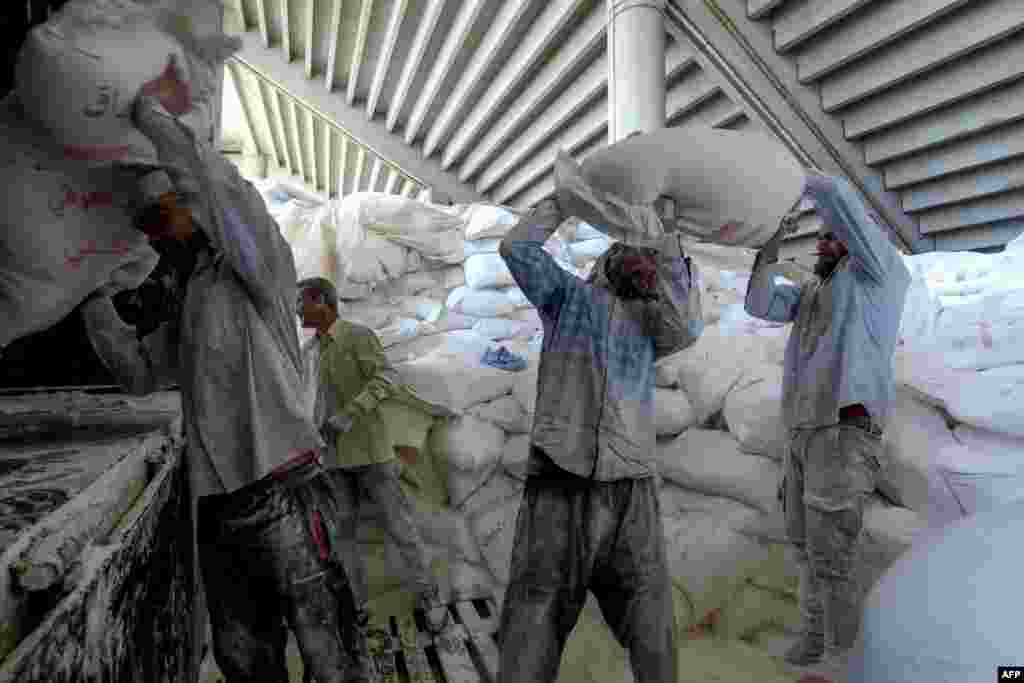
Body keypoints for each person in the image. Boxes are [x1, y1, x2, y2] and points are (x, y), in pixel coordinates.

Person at [79, 95, 368, 683]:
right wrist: (90, 300)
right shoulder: (189, 302)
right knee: (243, 656)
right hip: (217, 508)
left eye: (162, 216)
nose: (155, 236)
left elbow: (223, 191)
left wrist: (152, 118)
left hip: (285, 487)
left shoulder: (257, 268)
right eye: (147, 226)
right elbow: (137, 375)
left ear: (191, 205)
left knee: (327, 648)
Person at [495, 197, 703, 683]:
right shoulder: (567, 298)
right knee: (536, 606)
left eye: (649, 259)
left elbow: (689, 325)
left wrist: (667, 245)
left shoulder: (652, 325)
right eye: (632, 253)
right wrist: (562, 201)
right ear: (607, 262)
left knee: (650, 608)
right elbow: (516, 248)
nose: (642, 263)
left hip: (630, 486)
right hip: (559, 478)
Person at [744, 172, 910, 675]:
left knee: (834, 557)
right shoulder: (816, 288)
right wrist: (770, 243)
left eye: (832, 234)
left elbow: (839, 201)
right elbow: (757, 302)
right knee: (805, 548)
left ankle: (844, 662)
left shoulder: (878, 275)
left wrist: (793, 176)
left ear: (859, 238)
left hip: (843, 434)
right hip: (804, 433)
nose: (822, 240)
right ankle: (813, 645)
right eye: (820, 235)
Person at [296, 277, 452, 637]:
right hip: (332, 461)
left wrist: (351, 413)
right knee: (342, 536)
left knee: (401, 529)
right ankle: (358, 608)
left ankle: (431, 601)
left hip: (371, 454)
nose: (296, 310)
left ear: (322, 301)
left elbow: (385, 378)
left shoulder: (357, 337)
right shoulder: (308, 353)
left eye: (300, 302)